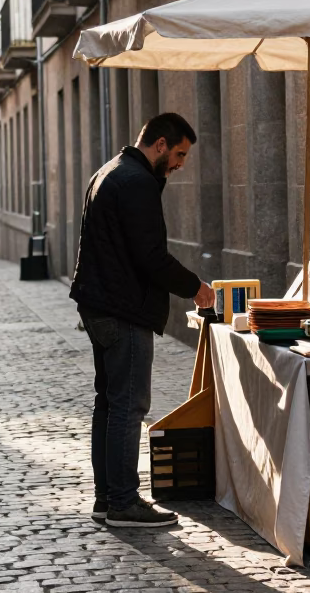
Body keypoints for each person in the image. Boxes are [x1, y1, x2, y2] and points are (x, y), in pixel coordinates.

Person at [71, 113, 216, 528]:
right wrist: (195, 286)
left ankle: (106, 498)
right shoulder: (135, 182)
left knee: (110, 403)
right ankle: (123, 502)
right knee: (129, 406)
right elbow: (150, 257)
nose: (180, 164)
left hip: (101, 304)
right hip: (122, 308)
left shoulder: (111, 172)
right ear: (160, 144)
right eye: (179, 154)